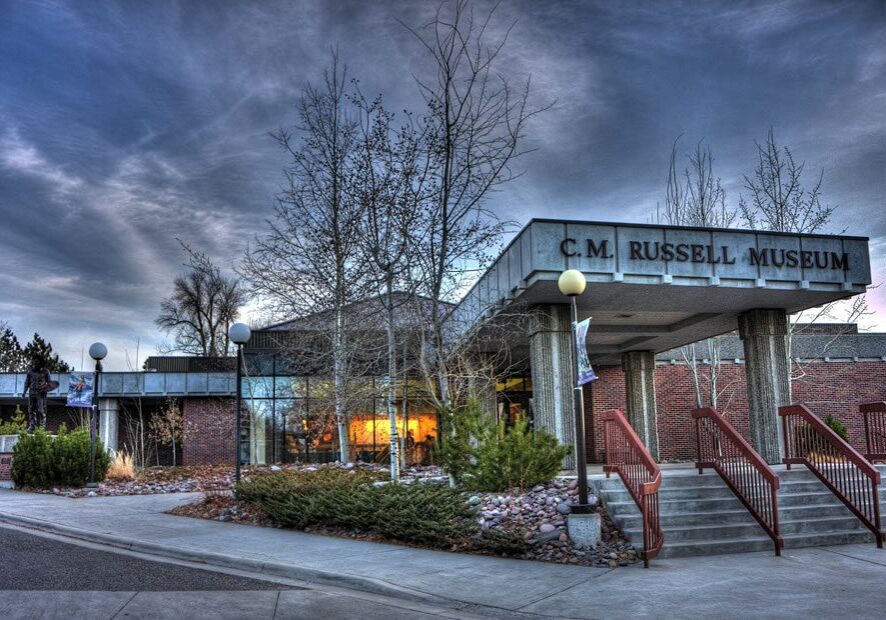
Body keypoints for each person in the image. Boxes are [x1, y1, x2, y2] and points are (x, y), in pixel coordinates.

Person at [22, 359, 51, 433]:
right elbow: (27, 383)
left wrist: (45, 389)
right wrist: (24, 392)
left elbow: (50, 384)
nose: (36, 364)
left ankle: (42, 427)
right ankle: (32, 426)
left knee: (41, 410)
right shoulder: (30, 372)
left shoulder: (46, 371)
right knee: (31, 410)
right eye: (35, 363)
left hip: (40, 394)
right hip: (31, 392)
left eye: (37, 363)